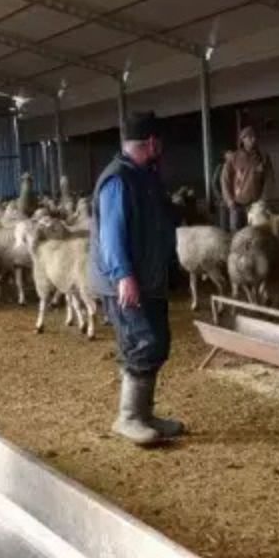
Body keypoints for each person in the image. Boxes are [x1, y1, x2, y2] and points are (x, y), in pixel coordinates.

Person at [90, 112, 186, 446]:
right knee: (142, 343)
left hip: (149, 278)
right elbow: (111, 234)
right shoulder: (118, 179)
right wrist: (123, 275)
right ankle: (128, 417)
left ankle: (144, 414)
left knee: (157, 342)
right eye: (160, 142)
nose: (162, 148)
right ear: (151, 142)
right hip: (128, 282)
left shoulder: (144, 175)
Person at [218, 125, 274, 231]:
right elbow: (225, 180)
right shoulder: (233, 158)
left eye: (254, 137)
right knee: (237, 235)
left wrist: (264, 200)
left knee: (257, 234)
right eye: (249, 137)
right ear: (242, 139)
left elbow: (269, 179)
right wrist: (230, 201)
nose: (253, 139)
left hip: (256, 206)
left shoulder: (263, 157)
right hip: (237, 205)